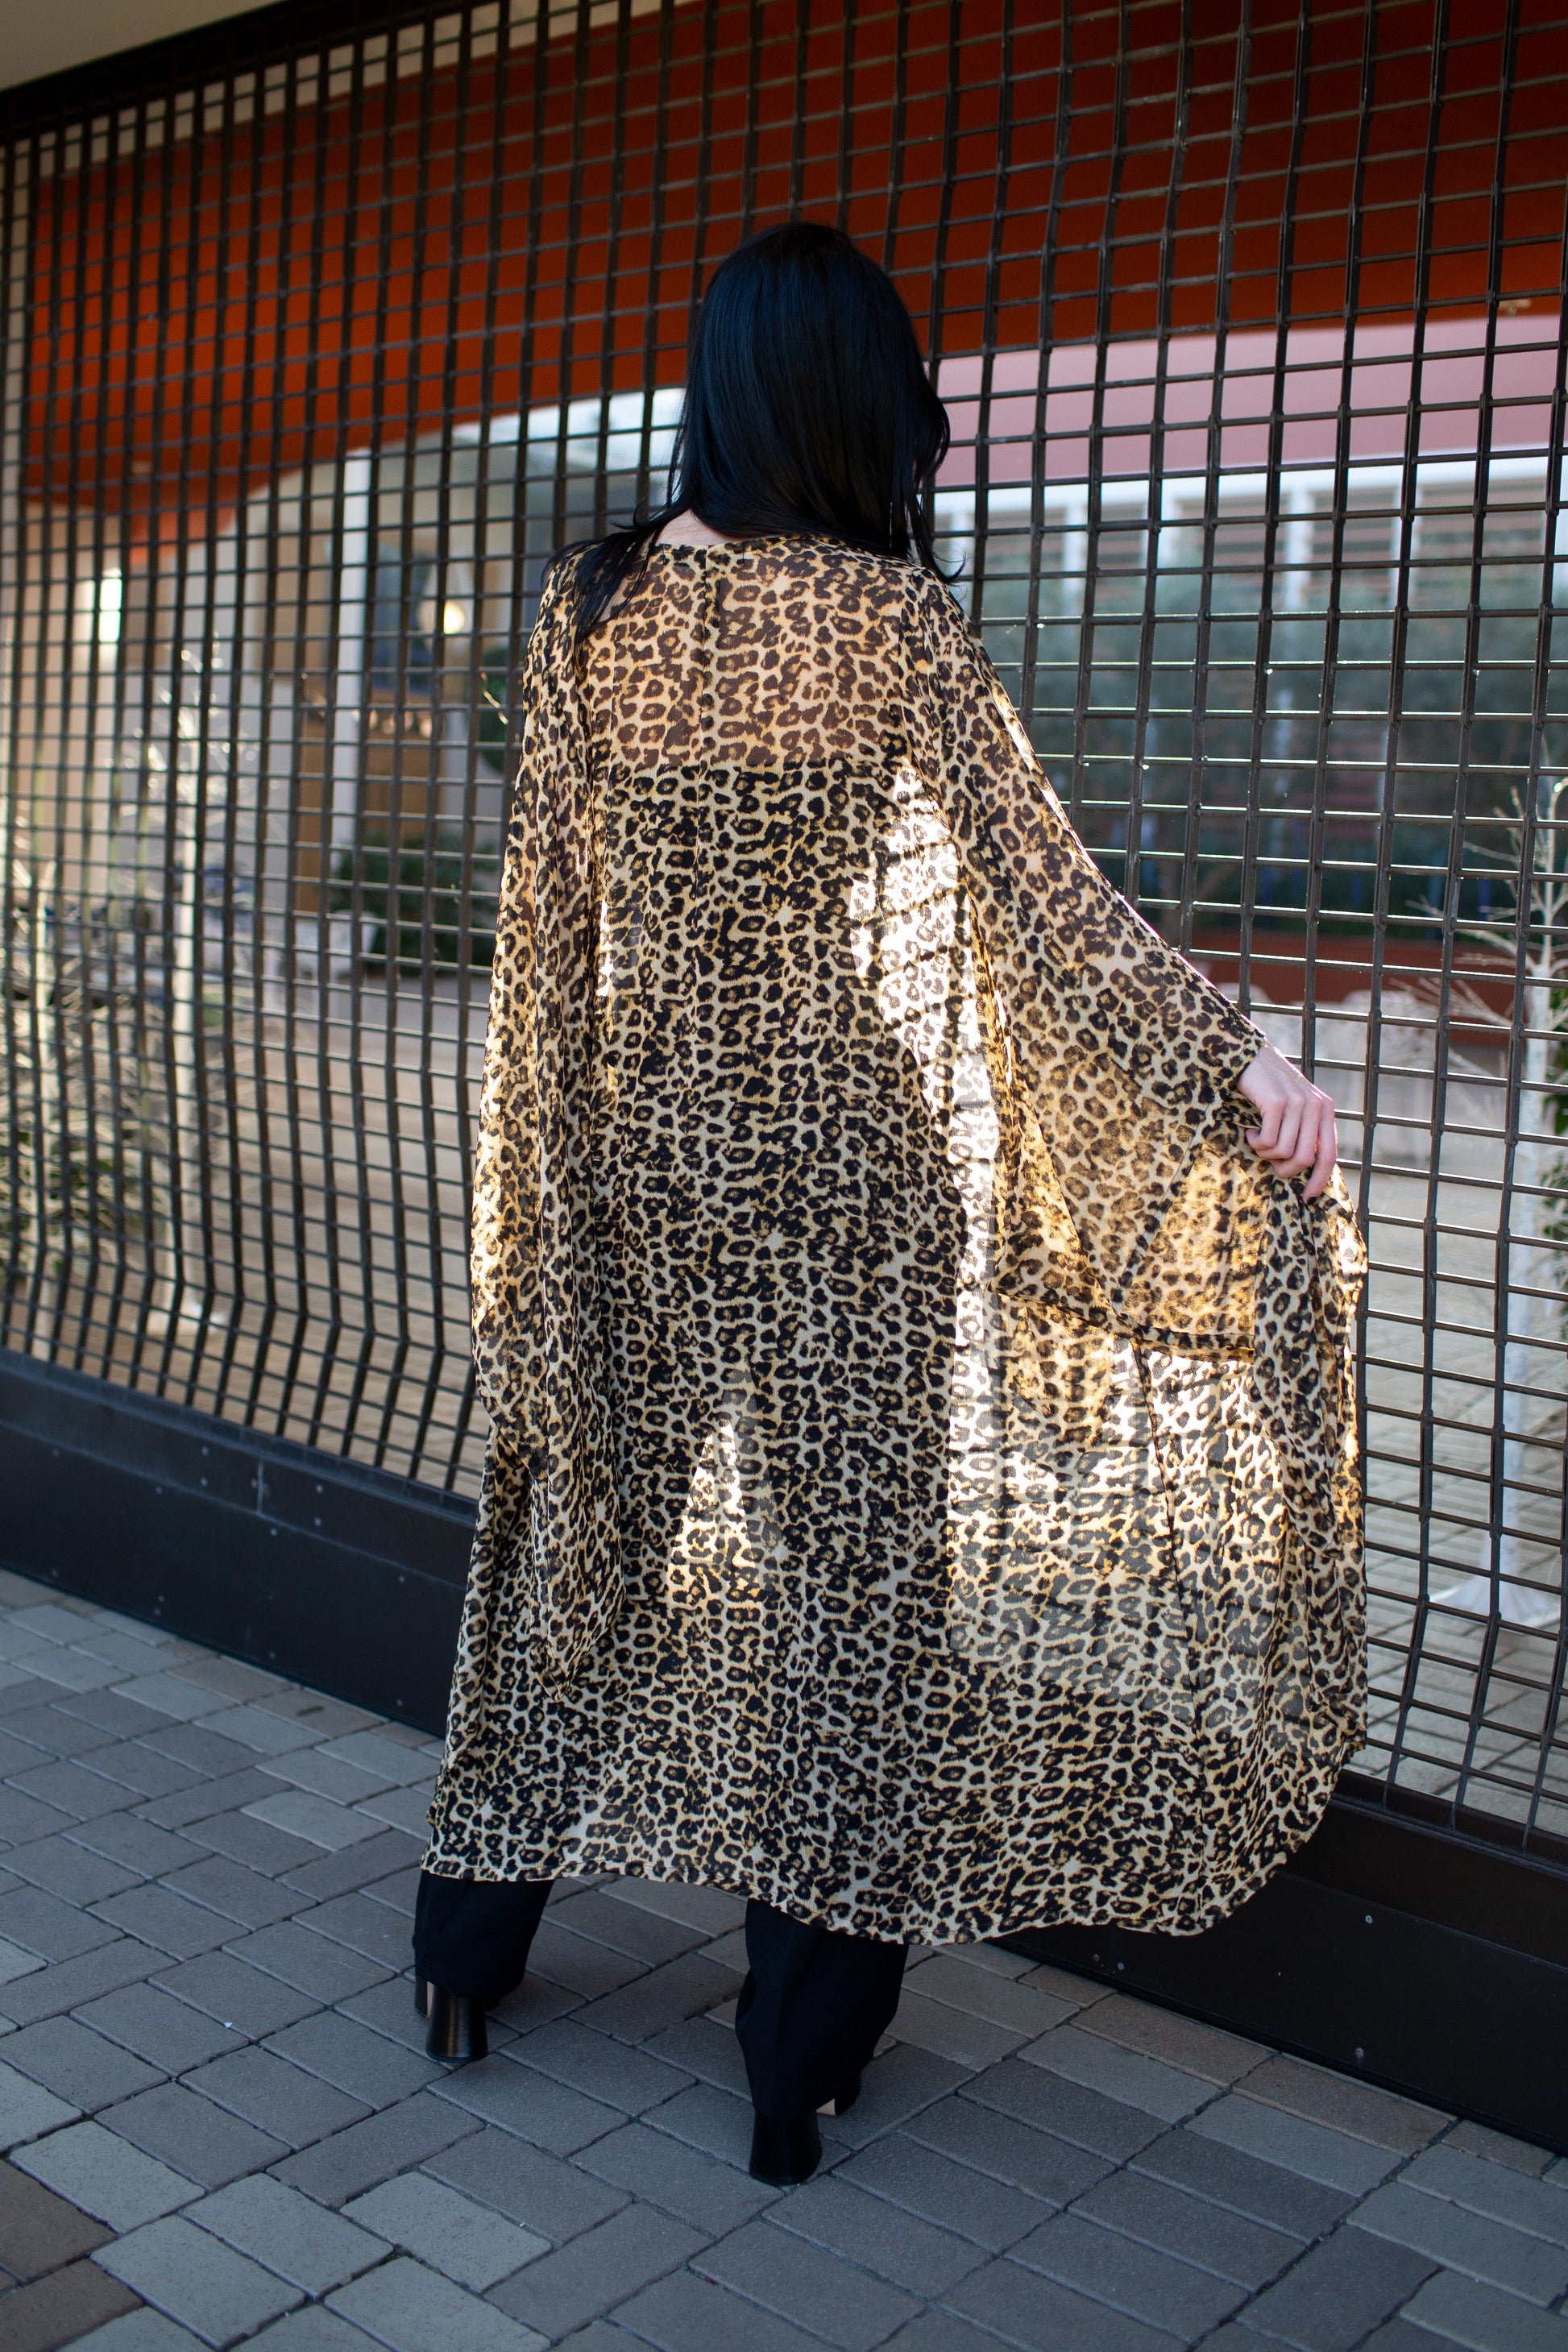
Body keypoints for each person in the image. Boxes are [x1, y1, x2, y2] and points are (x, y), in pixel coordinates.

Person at [413, 222, 1365, 2188]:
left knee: (580, 1550)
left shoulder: (585, 606)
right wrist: (1238, 1060)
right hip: (858, 1166)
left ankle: (463, 1955)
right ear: (849, 400)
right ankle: (796, 2063)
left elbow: (545, 947)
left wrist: (544, 1203)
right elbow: (1048, 897)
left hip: (647, 1159)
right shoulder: (894, 619)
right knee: (858, 1608)